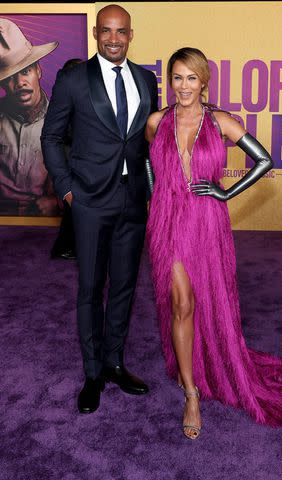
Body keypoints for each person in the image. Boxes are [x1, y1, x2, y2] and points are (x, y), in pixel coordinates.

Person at [146, 47, 282, 440]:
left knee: (208, 297)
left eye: (191, 77)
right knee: (181, 301)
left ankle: (201, 365)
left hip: (207, 221)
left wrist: (226, 193)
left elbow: (263, 159)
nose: (184, 85)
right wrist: (155, 197)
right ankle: (191, 392)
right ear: (169, 81)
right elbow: (147, 160)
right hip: (167, 220)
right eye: (177, 77)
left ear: (204, 81)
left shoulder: (221, 121)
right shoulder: (158, 120)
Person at [41, 5, 158, 414]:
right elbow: (52, 136)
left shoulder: (147, 79)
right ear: (95, 32)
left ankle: (114, 362)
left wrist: (154, 189)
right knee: (91, 289)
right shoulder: (73, 79)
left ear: (131, 34)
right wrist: (67, 189)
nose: (113, 38)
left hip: (133, 201)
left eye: (121, 32)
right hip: (89, 201)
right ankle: (92, 372)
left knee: (125, 286)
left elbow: (145, 144)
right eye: (106, 31)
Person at [0, 18, 59, 216]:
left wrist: (56, 203)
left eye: (25, 71)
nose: (20, 83)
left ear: (38, 71)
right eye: (9, 78)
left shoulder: (62, 120)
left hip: (46, 225)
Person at [50, 58, 84, 260]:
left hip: (72, 158)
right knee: (75, 208)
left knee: (74, 210)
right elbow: (61, 135)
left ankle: (67, 247)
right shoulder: (67, 98)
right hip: (69, 159)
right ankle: (65, 247)